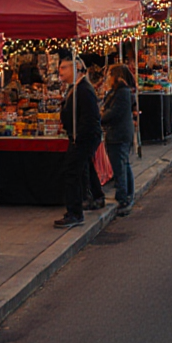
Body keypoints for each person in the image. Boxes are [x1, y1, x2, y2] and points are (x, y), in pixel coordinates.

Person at [55, 54, 102, 229]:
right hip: (78, 138)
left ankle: (75, 213)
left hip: (82, 139)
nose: (60, 71)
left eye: (64, 68)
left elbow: (90, 118)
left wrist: (79, 138)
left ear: (75, 69)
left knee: (72, 171)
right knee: (78, 170)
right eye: (60, 68)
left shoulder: (84, 89)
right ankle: (89, 200)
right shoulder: (75, 88)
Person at [100, 64, 137, 216]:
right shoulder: (119, 92)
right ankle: (127, 194)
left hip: (119, 135)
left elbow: (113, 113)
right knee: (124, 164)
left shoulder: (122, 93)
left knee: (120, 166)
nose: (108, 78)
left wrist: (102, 115)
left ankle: (123, 198)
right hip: (121, 134)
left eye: (110, 75)